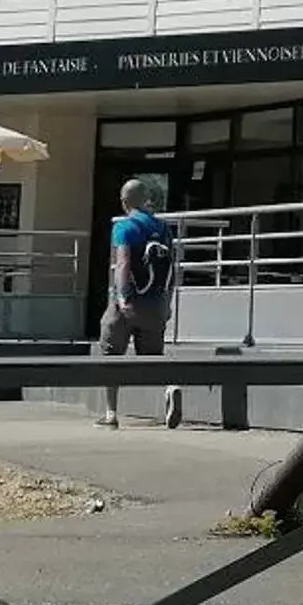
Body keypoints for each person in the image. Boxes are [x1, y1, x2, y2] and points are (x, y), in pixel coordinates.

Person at [94, 178, 177, 429]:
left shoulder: (125, 227)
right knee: (152, 359)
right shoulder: (163, 228)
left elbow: (123, 263)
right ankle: (171, 388)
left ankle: (111, 414)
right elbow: (172, 268)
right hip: (156, 302)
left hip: (129, 303)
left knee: (110, 354)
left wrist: (122, 299)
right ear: (146, 200)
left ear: (123, 202)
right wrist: (167, 303)